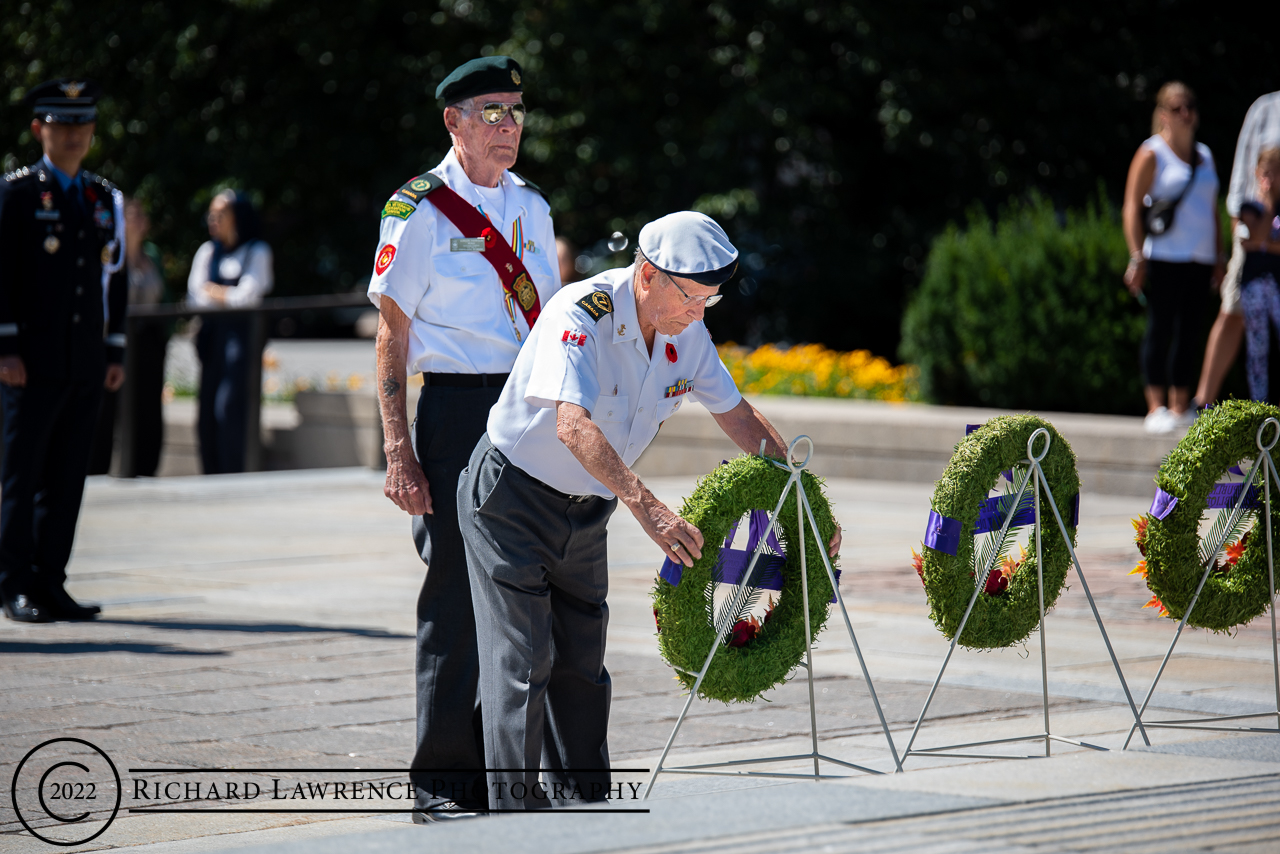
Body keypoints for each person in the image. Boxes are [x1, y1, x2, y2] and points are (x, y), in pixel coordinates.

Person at [460, 211, 842, 810]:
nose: (697, 315)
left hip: (587, 506)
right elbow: (571, 425)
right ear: (647, 274)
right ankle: (512, 814)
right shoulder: (580, 312)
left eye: (709, 303)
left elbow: (737, 416)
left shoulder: (684, 330)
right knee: (523, 659)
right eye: (691, 298)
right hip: (513, 496)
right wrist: (648, 508)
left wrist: (805, 500)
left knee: (583, 660)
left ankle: (584, 803)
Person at [367, 56, 560, 823]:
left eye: (516, 111)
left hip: (522, 411)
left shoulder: (533, 206)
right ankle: (442, 781)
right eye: (492, 111)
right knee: (452, 594)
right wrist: (397, 451)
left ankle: (508, 772)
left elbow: (548, 318)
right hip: (451, 415)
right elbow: (392, 334)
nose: (509, 126)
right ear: (454, 121)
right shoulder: (417, 208)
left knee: (526, 594)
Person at [0, 78, 126, 622]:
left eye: (81, 124)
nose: (72, 134)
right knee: (21, 476)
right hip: (28, 360)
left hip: (84, 359)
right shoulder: (18, 192)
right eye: (60, 123)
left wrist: (115, 350)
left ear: (93, 130)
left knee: (69, 477)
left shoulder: (103, 199)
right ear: (38, 129)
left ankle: (52, 581)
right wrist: (5, 346)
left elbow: (112, 280)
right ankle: (14, 585)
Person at [1122, 81, 1225, 433]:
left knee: (1190, 331)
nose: (1187, 114)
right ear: (1163, 114)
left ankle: (1182, 405)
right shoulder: (1151, 153)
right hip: (1165, 256)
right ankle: (1156, 406)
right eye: (1178, 108)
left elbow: (1212, 210)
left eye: (1191, 106)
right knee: (1160, 327)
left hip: (1201, 257)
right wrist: (1137, 257)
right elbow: (1131, 207)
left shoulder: (1205, 155)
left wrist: (1220, 256)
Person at [1196, 91, 1280, 406]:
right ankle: (1202, 402)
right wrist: (1243, 235)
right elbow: (1241, 180)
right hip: (1255, 237)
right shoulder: (1266, 109)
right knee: (1233, 311)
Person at [188, 189, 272, 474]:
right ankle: (209, 471)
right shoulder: (208, 251)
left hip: (240, 342)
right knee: (206, 410)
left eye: (220, 215)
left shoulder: (256, 251)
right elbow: (194, 295)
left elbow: (248, 297)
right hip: (212, 340)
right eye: (211, 215)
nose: (213, 220)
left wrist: (213, 292)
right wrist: (225, 294)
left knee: (230, 408)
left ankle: (232, 470)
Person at [89, 197, 170, 476]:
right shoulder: (109, 253)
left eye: (140, 217)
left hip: (148, 340)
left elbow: (164, 296)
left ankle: (145, 468)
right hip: (115, 339)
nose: (136, 222)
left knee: (146, 406)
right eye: (130, 216)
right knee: (107, 405)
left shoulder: (153, 256)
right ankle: (98, 469)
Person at [1237, 149, 1280, 401]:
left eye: (1276, 174)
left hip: (1276, 284)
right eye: (1266, 173)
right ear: (1256, 173)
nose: (1271, 179)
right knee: (1258, 349)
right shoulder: (1250, 206)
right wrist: (1268, 202)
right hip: (1253, 285)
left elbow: (1256, 242)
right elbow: (1258, 235)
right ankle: (1259, 404)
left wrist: (1259, 245)